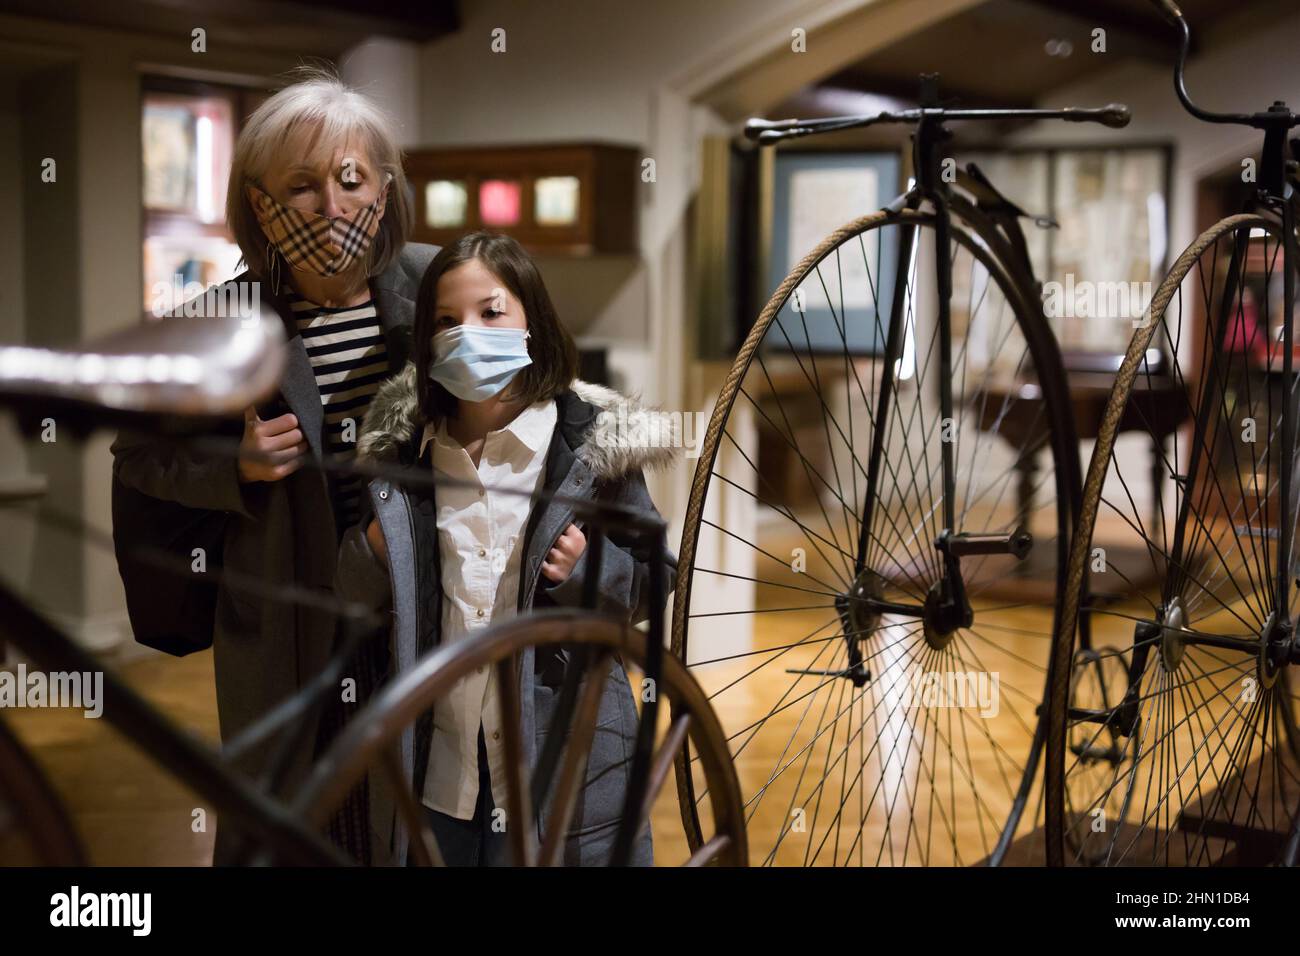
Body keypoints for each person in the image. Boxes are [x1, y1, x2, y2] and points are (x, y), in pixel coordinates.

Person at [110, 66, 436, 863]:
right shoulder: (217, 322)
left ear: (383, 191)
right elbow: (139, 452)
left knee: (418, 818)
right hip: (289, 626)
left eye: (350, 179)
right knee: (295, 824)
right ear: (261, 205)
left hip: (418, 614)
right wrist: (235, 465)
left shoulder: (439, 288)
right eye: (300, 186)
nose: (332, 206)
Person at [335, 232, 676, 865]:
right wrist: (372, 554)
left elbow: (657, 580)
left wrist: (589, 570)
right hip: (439, 772)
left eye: (491, 312)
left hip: (561, 769)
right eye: (445, 320)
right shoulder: (402, 456)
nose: (467, 333)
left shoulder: (588, 450)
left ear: (531, 322)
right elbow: (355, 603)